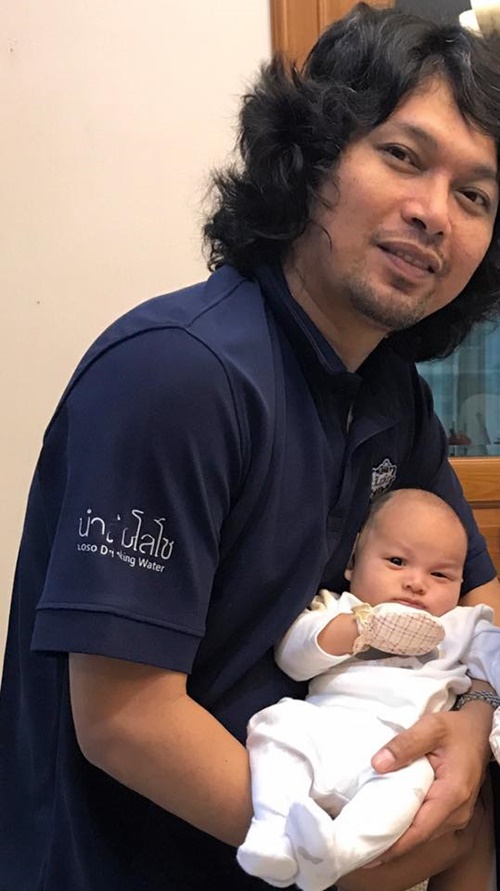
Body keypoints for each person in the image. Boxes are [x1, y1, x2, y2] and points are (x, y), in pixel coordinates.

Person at [1, 3, 500, 890]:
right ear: (312, 160)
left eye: (475, 196)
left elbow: (479, 596)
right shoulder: (174, 374)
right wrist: (332, 864)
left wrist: (474, 714)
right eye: (402, 154)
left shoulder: (393, 396)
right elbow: (124, 718)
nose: (434, 213)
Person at [237, 488, 500, 891]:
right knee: (276, 724)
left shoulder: (461, 625)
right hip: (326, 731)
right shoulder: (337, 608)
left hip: (401, 751)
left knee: (414, 783)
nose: (416, 583)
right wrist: (360, 630)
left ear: (462, 581)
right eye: (397, 562)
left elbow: (495, 661)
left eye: (440, 575)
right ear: (352, 562)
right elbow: (293, 657)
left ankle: (337, 853)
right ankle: (271, 830)